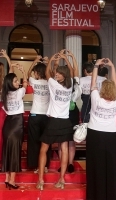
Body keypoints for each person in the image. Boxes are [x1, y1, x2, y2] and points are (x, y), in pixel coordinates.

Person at [36, 52, 73, 190]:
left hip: (53, 122)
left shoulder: (53, 84)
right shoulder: (70, 86)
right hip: (65, 122)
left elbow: (47, 72)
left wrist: (52, 58)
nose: (55, 75)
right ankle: (61, 180)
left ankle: (41, 180)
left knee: (43, 149)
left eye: (58, 73)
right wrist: (65, 59)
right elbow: (72, 70)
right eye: (56, 73)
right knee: (63, 150)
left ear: (63, 75)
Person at [86, 58, 116, 200]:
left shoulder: (96, 98)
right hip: (111, 135)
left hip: (95, 134)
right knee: (111, 167)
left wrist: (96, 65)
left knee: (95, 166)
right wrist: (112, 66)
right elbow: (115, 84)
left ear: (102, 89)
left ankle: (95, 195)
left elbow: (92, 82)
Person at [1, 63, 27, 190]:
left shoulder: (4, 94)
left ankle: (7, 178)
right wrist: (23, 72)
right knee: (15, 151)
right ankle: (12, 180)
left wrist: (12, 70)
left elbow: (8, 78)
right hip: (17, 123)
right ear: (12, 83)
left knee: (7, 150)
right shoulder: (20, 92)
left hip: (7, 124)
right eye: (16, 81)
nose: (18, 83)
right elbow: (26, 84)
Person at [57, 50, 82, 173]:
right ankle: (70, 163)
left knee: (62, 140)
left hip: (62, 112)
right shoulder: (75, 84)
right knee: (72, 140)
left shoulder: (58, 84)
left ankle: (63, 164)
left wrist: (60, 59)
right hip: (73, 112)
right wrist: (71, 57)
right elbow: (75, 71)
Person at [27, 55, 51, 173]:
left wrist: (34, 61)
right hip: (47, 116)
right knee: (46, 142)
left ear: (36, 73)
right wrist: (48, 62)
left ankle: (36, 165)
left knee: (34, 141)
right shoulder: (50, 83)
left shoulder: (34, 81)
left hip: (35, 115)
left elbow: (27, 74)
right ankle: (45, 166)